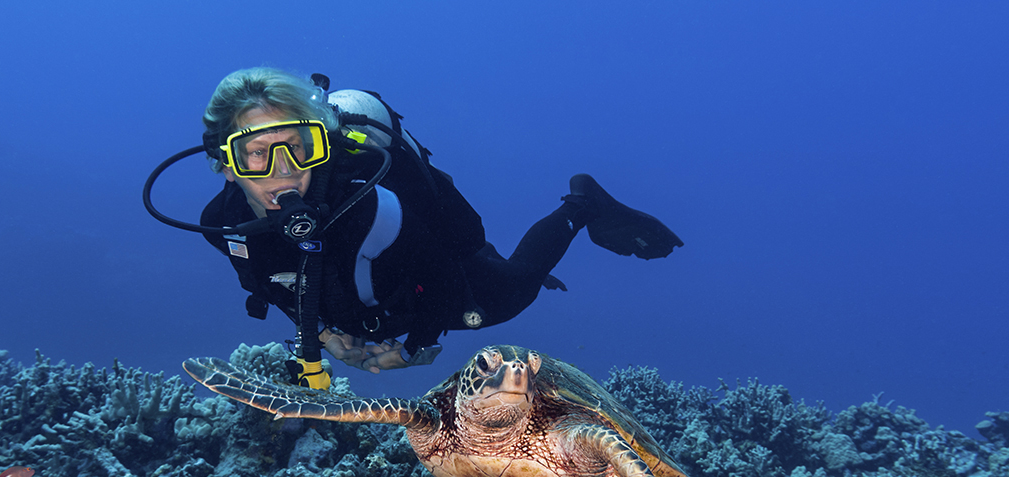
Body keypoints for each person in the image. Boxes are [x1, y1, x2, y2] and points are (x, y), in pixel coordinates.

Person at [194, 67, 682, 386]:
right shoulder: (223, 226)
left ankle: (582, 203)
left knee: (511, 294)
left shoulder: (370, 204)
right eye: (256, 153)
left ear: (322, 143)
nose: (283, 169)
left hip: (429, 279)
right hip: (359, 303)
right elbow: (271, 284)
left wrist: (415, 345)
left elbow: (445, 269)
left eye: (298, 145)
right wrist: (321, 335)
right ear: (225, 162)